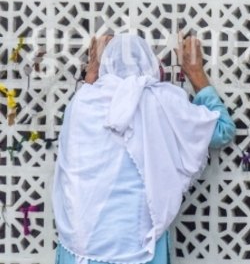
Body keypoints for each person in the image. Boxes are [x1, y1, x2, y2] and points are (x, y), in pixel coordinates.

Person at [53, 32, 235, 264]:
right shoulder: (159, 101)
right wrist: (195, 73)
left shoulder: (82, 103)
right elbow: (222, 130)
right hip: (139, 249)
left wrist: (92, 72)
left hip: (80, 249)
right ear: (151, 64)